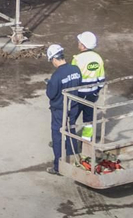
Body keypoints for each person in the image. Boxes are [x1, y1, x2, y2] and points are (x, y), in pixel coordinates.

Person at [44, 43, 82, 175]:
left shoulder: (57, 76)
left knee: (58, 137)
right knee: (71, 132)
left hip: (60, 110)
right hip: (74, 107)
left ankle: (58, 167)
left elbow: (51, 94)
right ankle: (73, 161)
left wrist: (48, 85)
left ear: (54, 59)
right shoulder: (76, 70)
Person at [69, 30, 107, 156]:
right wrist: (96, 92)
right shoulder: (98, 58)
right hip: (92, 96)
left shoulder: (77, 59)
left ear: (83, 45)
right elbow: (101, 79)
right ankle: (86, 144)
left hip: (78, 95)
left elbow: (73, 78)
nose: (78, 44)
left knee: (71, 119)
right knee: (89, 121)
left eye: (79, 42)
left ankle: (69, 142)